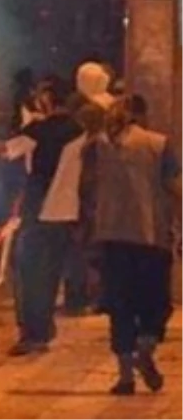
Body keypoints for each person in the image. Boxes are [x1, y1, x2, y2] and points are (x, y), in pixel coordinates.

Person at [0, 89, 86, 356]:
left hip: (40, 210)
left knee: (29, 273)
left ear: (47, 101)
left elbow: (2, 150)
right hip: (68, 211)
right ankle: (44, 328)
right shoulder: (80, 130)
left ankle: (34, 334)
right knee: (50, 275)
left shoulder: (40, 131)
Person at [84, 100, 178, 395]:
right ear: (142, 115)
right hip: (151, 237)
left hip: (111, 238)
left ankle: (125, 377)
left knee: (119, 306)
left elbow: (85, 189)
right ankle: (145, 347)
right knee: (156, 303)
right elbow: (176, 188)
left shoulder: (94, 147)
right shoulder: (158, 144)